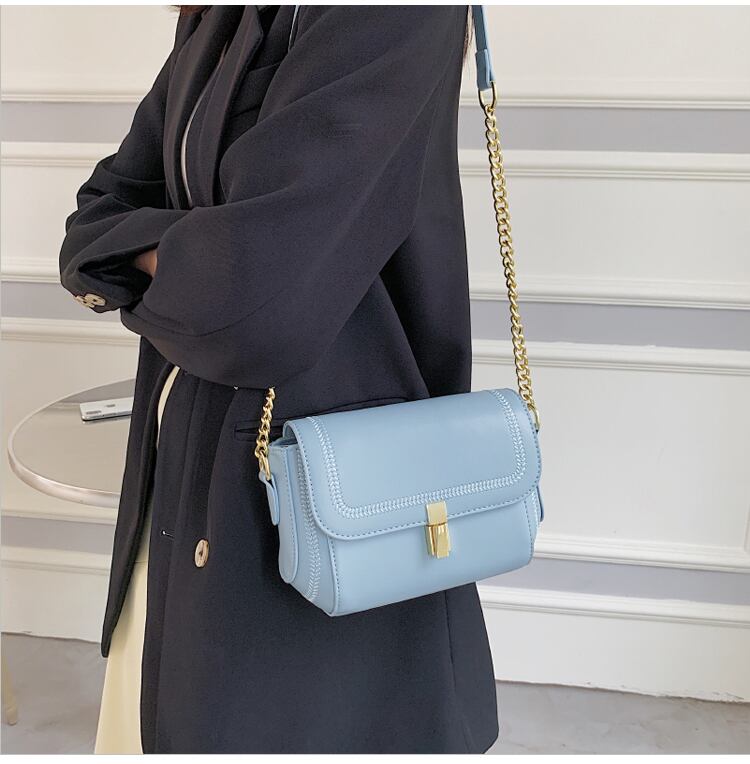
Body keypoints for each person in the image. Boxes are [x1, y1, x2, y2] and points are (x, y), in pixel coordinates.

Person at [59, 5, 499, 754]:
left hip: (329, 504)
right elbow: (97, 216)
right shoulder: (224, 13)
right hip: (177, 481)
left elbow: (249, 299)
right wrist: (192, 259)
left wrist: (153, 258)